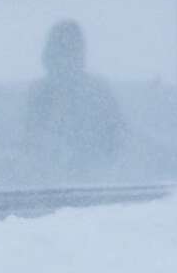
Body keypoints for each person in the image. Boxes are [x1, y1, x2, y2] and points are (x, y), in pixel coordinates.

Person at [23, 20, 125, 173]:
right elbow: (28, 143)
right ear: (49, 55)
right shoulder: (37, 94)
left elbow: (118, 140)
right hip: (44, 182)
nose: (66, 60)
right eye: (61, 51)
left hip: (95, 183)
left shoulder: (99, 92)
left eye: (72, 51)